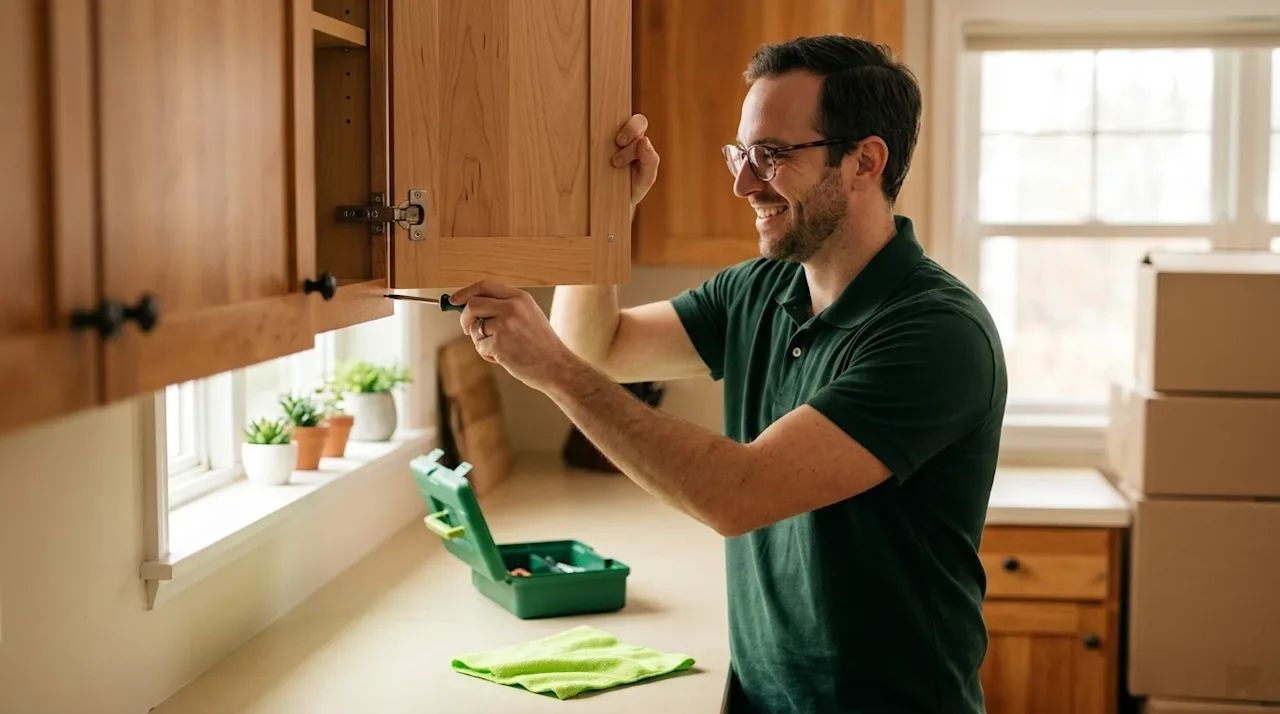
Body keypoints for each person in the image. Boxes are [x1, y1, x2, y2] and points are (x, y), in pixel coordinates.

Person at [446, 34, 1008, 714]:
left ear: (865, 160)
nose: (744, 182)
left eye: (771, 155)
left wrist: (554, 372)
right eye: (742, 154)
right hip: (764, 694)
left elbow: (735, 493)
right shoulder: (761, 289)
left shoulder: (934, 333)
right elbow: (601, 346)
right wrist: (604, 212)